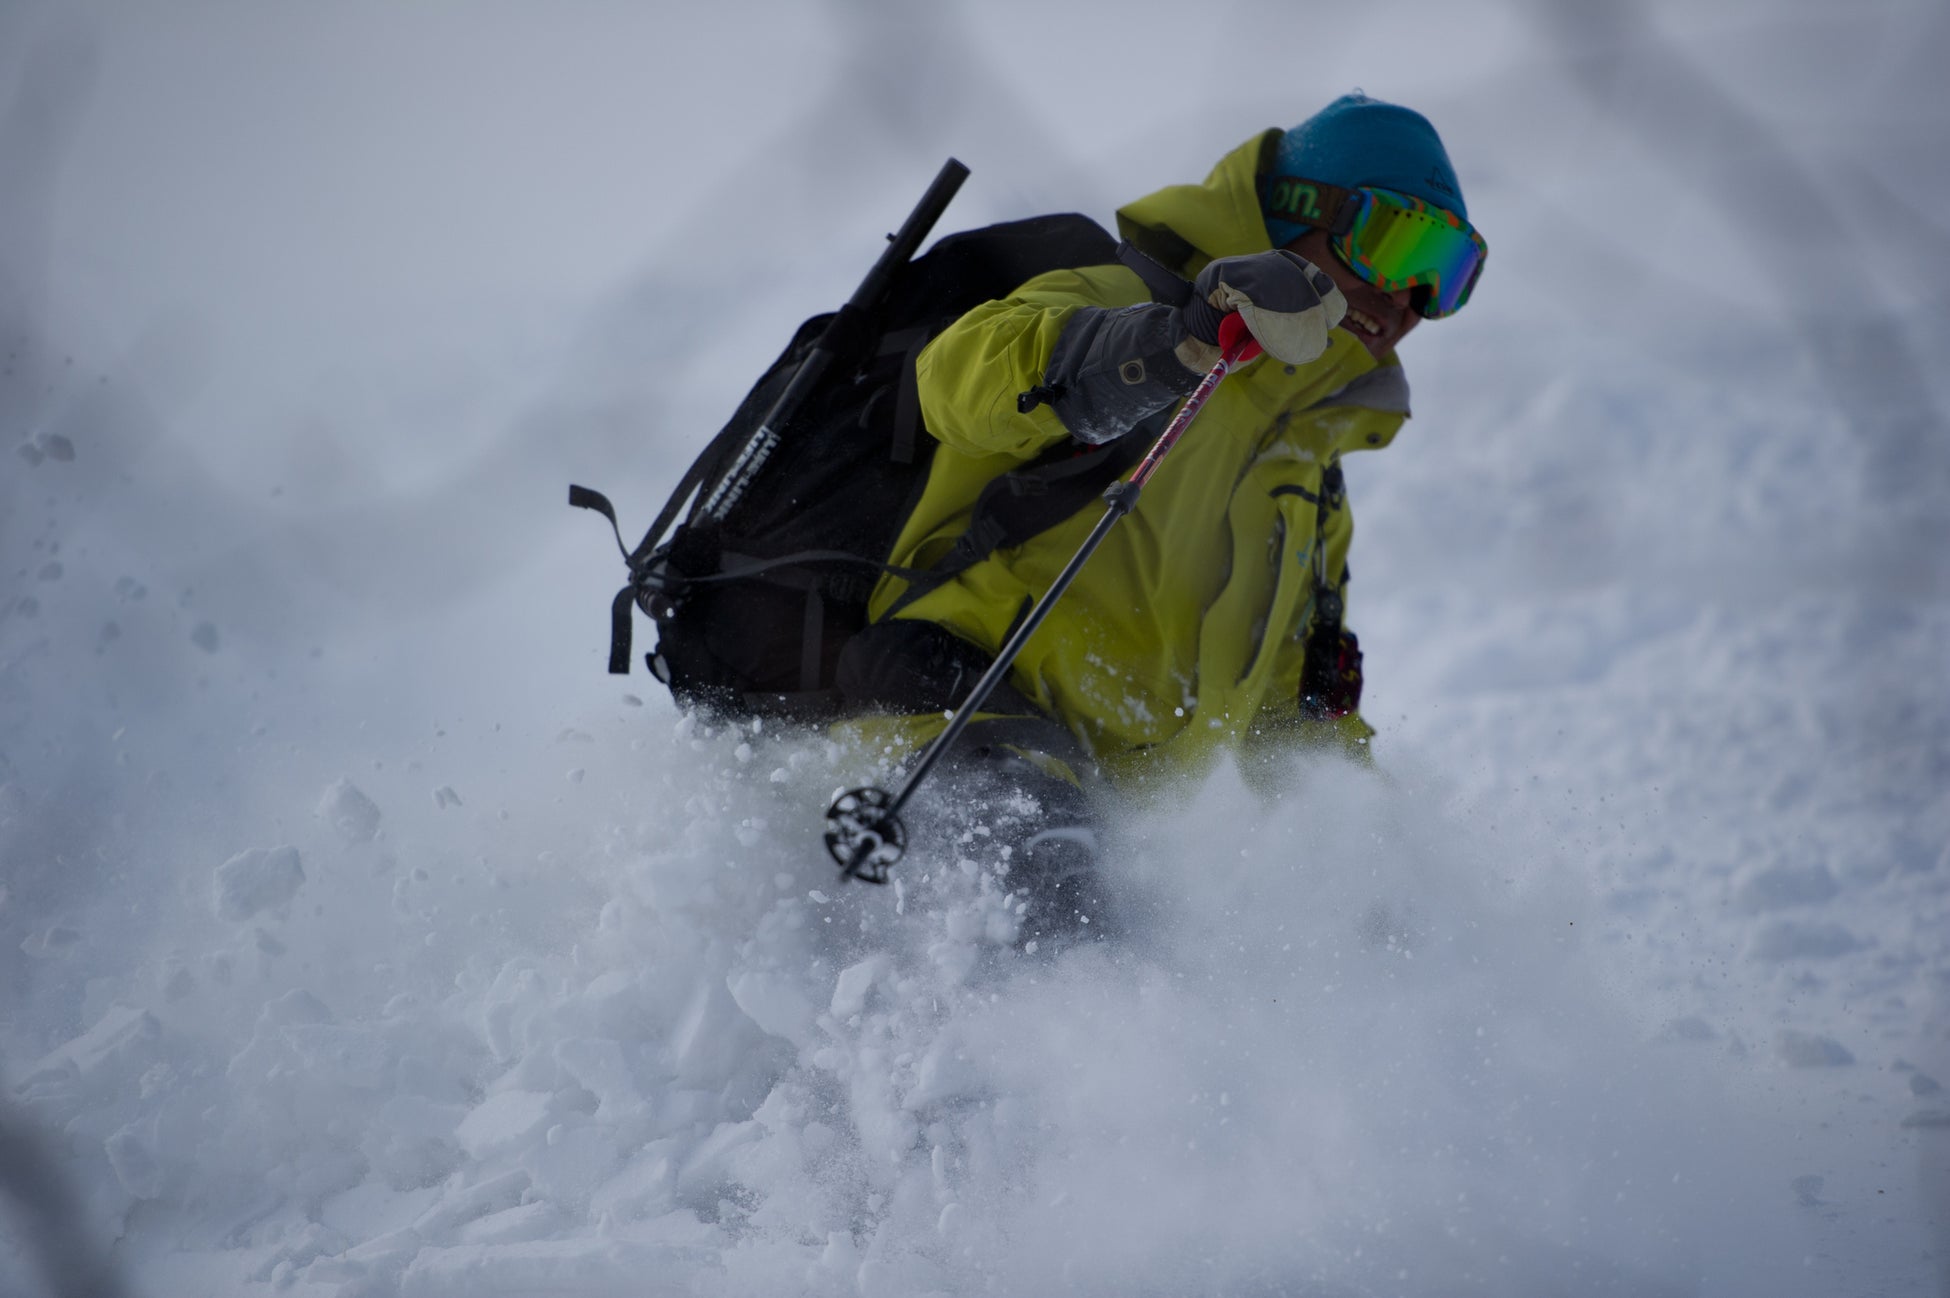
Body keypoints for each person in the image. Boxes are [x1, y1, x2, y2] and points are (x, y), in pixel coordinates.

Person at [832, 93, 1486, 941]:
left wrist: (1383, 864)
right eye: (1401, 243)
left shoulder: (1306, 473)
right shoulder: (1126, 297)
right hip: (942, 723)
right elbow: (957, 380)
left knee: (1126, 972)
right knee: (1062, 945)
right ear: (1295, 214)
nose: (1412, 297)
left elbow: (1297, 707)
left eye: (1452, 273)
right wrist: (1171, 342)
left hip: (1092, 814)